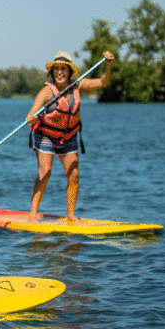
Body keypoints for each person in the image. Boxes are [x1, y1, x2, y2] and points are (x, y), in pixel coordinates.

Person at [25, 51, 114, 224]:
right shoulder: (46, 92)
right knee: (45, 173)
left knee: (73, 175)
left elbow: (103, 82)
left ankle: (71, 216)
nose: (60, 72)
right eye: (56, 69)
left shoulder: (78, 86)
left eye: (63, 69)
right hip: (46, 135)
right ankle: (33, 215)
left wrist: (108, 65)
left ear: (69, 72)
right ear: (52, 72)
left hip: (68, 136)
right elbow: (32, 112)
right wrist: (31, 116)